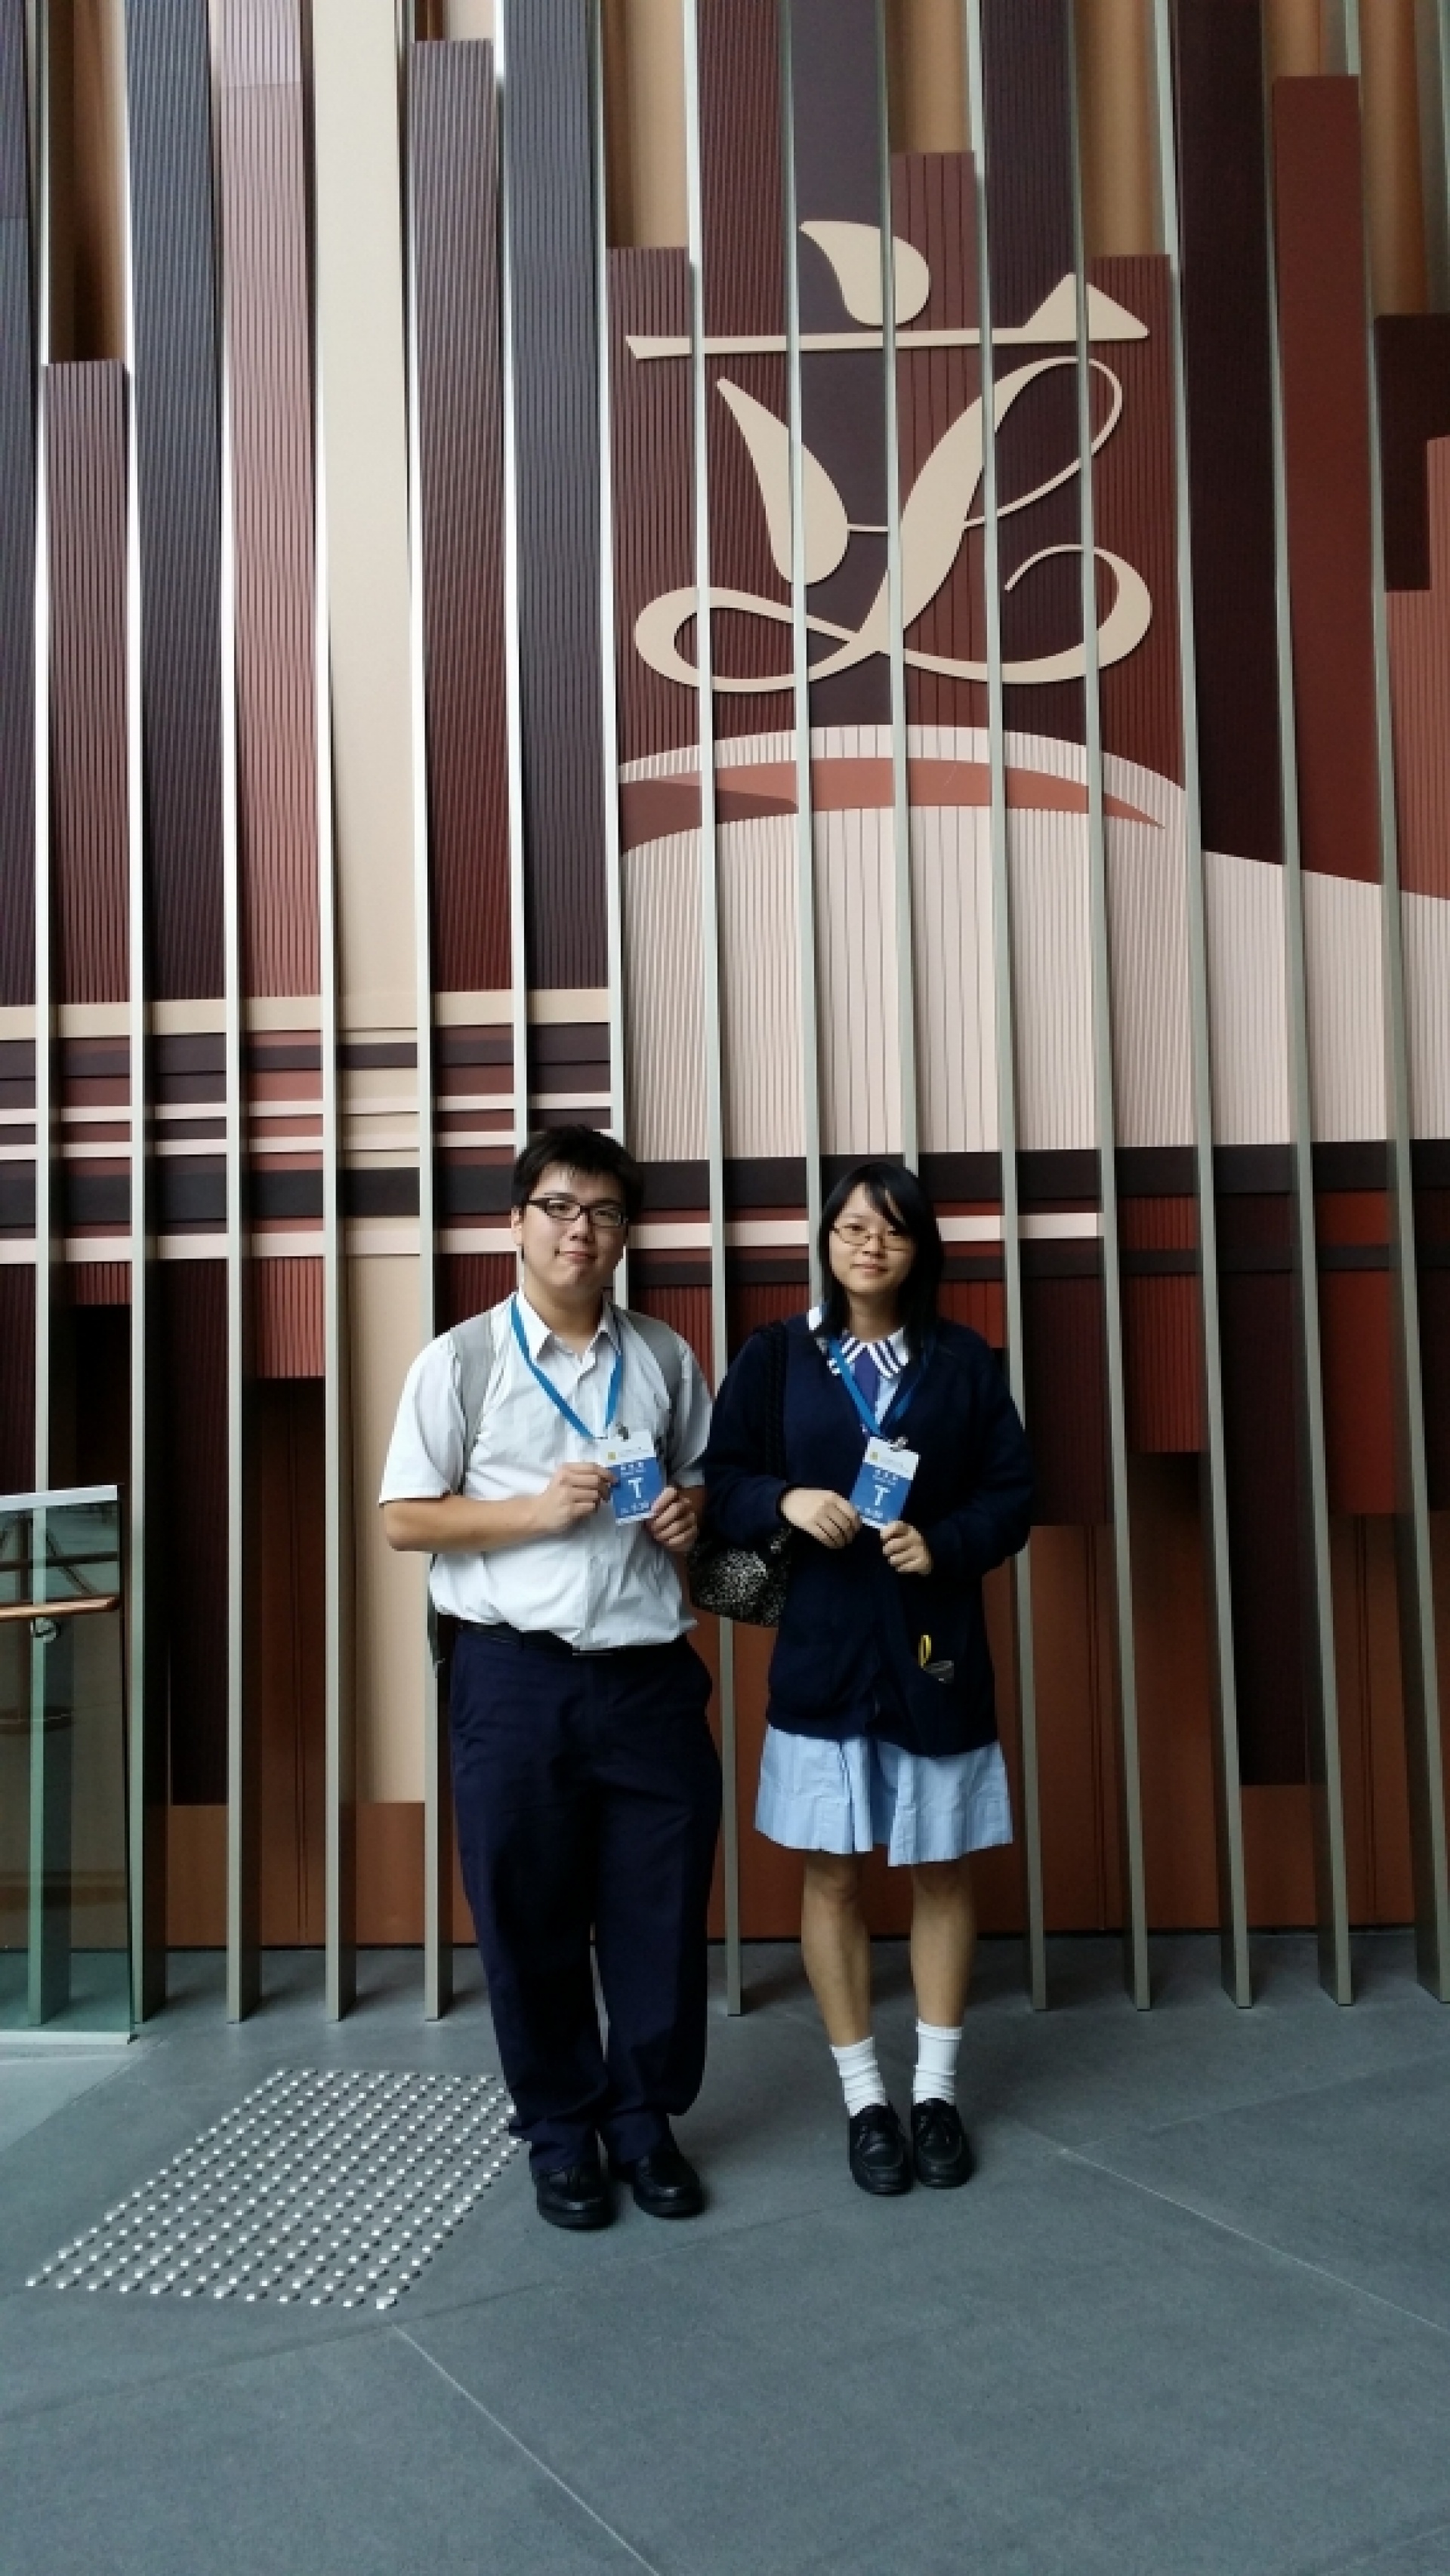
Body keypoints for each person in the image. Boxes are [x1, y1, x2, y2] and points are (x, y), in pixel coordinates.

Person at [379, 1126, 720, 2232]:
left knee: (661, 1911)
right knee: (525, 1913)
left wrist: (686, 1515)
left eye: (607, 1213)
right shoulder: (462, 1361)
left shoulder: (663, 1355)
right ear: (517, 1223)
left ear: (625, 1235)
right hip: (513, 1677)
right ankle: (563, 2133)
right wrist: (532, 1511)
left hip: (649, 1678)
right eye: (562, 1208)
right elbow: (404, 1519)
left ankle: (645, 2122)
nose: (584, 1231)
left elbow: (701, 1486)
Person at [702, 1162, 1032, 2196]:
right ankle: (865, 2101)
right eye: (851, 1227)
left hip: (935, 1654)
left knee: (941, 1866)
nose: (869, 1245)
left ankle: (934, 2093)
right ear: (827, 1242)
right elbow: (722, 1480)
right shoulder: (776, 1356)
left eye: (890, 1230)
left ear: (919, 1247)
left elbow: (1013, 1494)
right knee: (834, 1875)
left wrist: (945, 1544)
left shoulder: (962, 1361)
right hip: (825, 1652)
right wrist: (786, 1500)